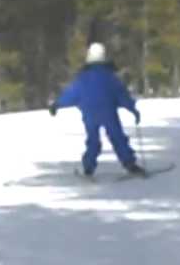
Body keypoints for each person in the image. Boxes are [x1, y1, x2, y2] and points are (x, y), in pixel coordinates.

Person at [49, 42, 145, 177]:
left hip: (89, 112)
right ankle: (129, 164)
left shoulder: (82, 77)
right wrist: (133, 109)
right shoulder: (110, 76)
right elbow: (121, 94)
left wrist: (56, 105)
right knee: (117, 137)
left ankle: (88, 167)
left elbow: (71, 94)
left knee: (93, 140)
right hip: (108, 111)